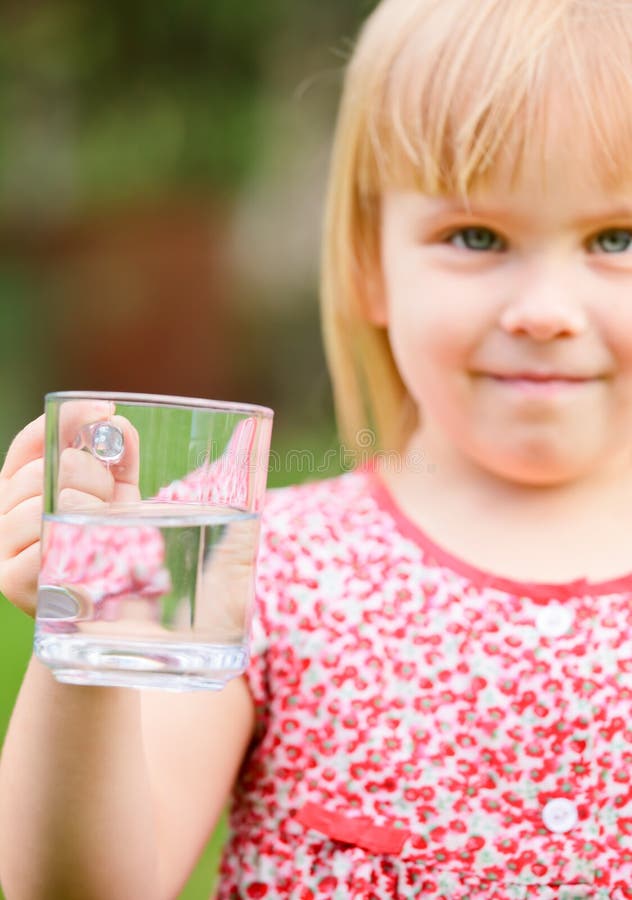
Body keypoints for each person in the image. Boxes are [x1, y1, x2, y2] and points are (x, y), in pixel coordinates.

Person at [2, 0, 632, 895]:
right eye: (475, 236)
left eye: (616, 237)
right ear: (371, 263)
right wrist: (87, 648)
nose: (544, 310)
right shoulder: (262, 563)